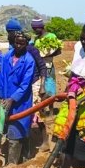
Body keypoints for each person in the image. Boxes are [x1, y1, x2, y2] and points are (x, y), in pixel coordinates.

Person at [52, 22, 85, 168]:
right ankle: (64, 155)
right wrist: (67, 90)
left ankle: (84, 164)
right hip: (74, 89)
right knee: (66, 120)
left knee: (84, 128)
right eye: (81, 38)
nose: (83, 42)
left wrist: (82, 99)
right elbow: (74, 72)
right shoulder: (78, 47)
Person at [0, 32, 36, 165]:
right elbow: (1, 77)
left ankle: (12, 165)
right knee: (7, 129)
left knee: (17, 131)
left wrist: (12, 99)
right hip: (6, 99)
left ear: (26, 44)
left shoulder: (29, 61)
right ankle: (24, 158)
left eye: (22, 44)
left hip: (21, 102)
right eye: (16, 43)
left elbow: (25, 85)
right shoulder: (7, 56)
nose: (18, 46)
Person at [30, 17, 61, 151]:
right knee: (41, 92)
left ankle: (50, 110)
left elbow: (59, 50)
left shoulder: (51, 36)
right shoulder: (36, 40)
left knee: (49, 88)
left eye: (35, 28)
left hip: (48, 66)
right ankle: (43, 109)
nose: (34, 30)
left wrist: (48, 52)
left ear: (40, 27)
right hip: (39, 68)